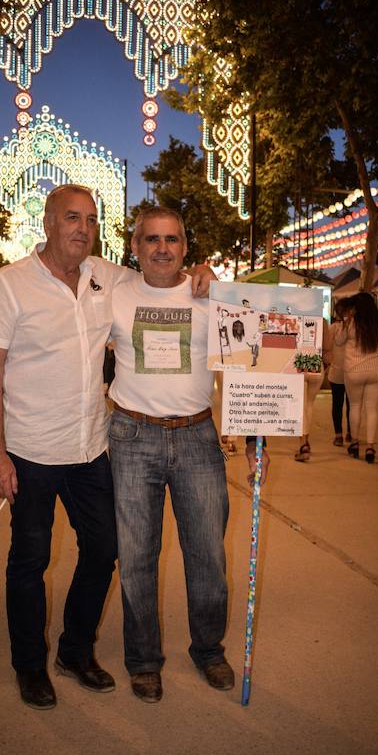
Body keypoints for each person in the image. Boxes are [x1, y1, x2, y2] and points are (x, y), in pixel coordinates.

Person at [0, 186, 214, 711]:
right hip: (30, 450)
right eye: (71, 218)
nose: (81, 228)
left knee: (104, 550)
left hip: (90, 448)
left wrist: (205, 274)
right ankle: (30, 665)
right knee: (30, 560)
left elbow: (163, 273)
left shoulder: (107, 276)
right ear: (48, 222)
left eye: (90, 219)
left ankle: (76, 651)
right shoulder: (7, 285)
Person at [107, 206, 269, 704]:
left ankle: (208, 650)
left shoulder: (214, 296)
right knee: (136, 559)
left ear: (185, 246)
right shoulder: (112, 291)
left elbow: (251, 366)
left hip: (199, 438)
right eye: (151, 239)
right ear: (134, 247)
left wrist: (257, 437)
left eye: (171, 239)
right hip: (133, 438)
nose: (161, 248)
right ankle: (143, 660)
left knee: (207, 556)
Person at [335, 292, 378, 463]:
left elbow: (338, 341)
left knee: (355, 406)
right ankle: (370, 446)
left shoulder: (350, 322)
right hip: (376, 370)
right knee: (372, 409)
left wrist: (344, 323)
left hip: (353, 370)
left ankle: (355, 442)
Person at [294, 319, 331, 462]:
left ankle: (303, 443)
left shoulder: (294, 316)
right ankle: (305, 440)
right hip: (315, 359)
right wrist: (326, 363)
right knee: (309, 404)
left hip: (299, 359)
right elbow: (327, 346)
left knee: (301, 405)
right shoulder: (321, 320)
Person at [328, 298, 352, 446]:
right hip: (352, 370)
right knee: (352, 404)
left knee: (337, 404)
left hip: (337, 370)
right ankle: (350, 433)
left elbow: (329, 348)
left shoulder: (332, 328)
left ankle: (338, 435)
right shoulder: (354, 327)